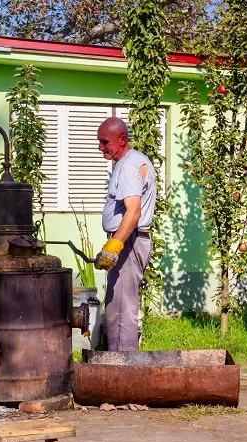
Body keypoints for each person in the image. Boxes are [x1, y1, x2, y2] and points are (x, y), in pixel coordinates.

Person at [94, 117, 156, 352]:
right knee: (118, 305)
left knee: (121, 309)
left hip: (129, 242)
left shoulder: (130, 165)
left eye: (105, 142)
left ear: (122, 140)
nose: (101, 147)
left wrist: (114, 246)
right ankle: (122, 365)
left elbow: (133, 212)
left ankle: (123, 367)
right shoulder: (133, 161)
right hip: (128, 240)